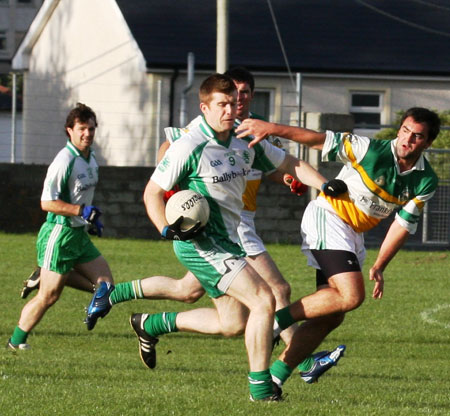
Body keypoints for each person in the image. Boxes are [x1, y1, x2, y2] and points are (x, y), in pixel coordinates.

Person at [82, 67, 345, 383]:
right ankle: (281, 373)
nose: (234, 105)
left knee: (218, 313)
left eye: (239, 98)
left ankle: (141, 317)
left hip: (232, 230)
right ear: (206, 106)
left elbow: (283, 163)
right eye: (226, 101)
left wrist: (320, 182)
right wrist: (167, 220)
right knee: (270, 294)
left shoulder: (246, 134)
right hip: (207, 237)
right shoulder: (194, 138)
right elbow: (160, 174)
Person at [235, 106, 440, 388]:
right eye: (404, 131)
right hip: (328, 217)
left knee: (332, 315)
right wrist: (271, 128)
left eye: (417, 136)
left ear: (428, 142)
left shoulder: (426, 180)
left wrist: (380, 265)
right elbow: (317, 139)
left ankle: (275, 378)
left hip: (351, 234)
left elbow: (401, 225)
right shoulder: (369, 149)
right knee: (352, 296)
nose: (407, 140)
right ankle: (274, 323)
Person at [6, 103, 115, 351]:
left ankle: (45, 275)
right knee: (49, 296)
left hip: (78, 234)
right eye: (82, 129)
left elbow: (82, 199)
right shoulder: (64, 161)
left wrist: (91, 220)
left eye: (91, 129)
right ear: (70, 130)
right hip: (60, 233)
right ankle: (16, 341)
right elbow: (46, 202)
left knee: (106, 287)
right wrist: (80, 212)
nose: (87, 134)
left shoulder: (91, 159)